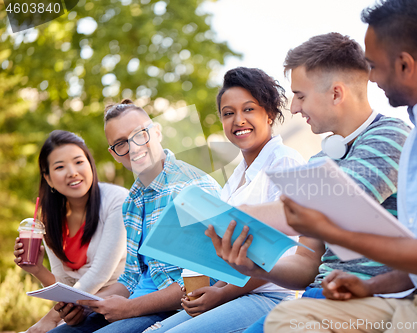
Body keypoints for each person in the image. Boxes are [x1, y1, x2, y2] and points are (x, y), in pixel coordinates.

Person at [258, 0, 417, 332]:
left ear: (404, 64)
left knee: (290, 323)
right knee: (286, 319)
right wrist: (371, 287)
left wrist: (332, 231)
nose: (369, 77)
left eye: (374, 66)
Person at [206, 33, 411, 332]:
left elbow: (337, 204)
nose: (294, 108)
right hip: (316, 298)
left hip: (374, 300)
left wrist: (239, 215)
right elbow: (305, 265)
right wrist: (254, 266)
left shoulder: (391, 137)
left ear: (336, 93)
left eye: (300, 95)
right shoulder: (317, 161)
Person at [144, 67, 305, 333]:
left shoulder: (285, 162)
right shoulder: (234, 179)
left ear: (270, 113)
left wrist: (222, 294)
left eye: (249, 109)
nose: (238, 120)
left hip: (269, 296)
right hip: (234, 292)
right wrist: (212, 291)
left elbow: (283, 254)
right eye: (228, 113)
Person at [48, 100, 221, 333]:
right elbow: (131, 279)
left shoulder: (191, 187)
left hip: (177, 310)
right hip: (136, 304)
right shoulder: (132, 201)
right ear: (114, 154)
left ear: (157, 132)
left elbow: (206, 279)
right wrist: (86, 305)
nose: (133, 147)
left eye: (140, 135)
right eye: (121, 143)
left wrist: (129, 308)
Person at [13, 130, 128, 333]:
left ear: (90, 164)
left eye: (78, 162)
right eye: (60, 167)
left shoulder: (116, 201)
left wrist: (50, 318)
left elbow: (99, 275)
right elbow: (65, 285)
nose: (72, 172)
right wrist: (38, 269)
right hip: (81, 307)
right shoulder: (49, 219)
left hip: (120, 300)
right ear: (48, 178)